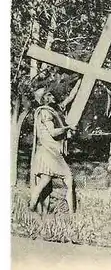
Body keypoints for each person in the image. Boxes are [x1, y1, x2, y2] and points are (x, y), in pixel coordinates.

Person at [28, 78, 81, 214]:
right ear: (44, 98)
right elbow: (52, 132)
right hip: (48, 151)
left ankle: (70, 213)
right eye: (49, 95)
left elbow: (70, 97)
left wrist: (80, 82)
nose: (52, 96)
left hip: (53, 151)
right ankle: (31, 209)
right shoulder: (45, 112)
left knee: (57, 180)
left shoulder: (54, 111)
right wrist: (67, 128)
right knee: (59, 179)